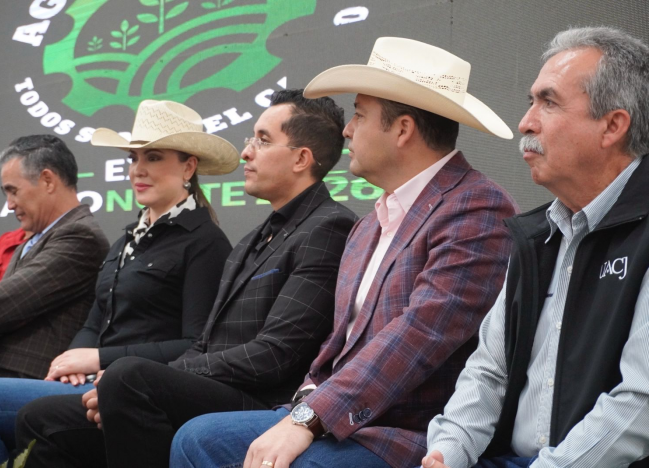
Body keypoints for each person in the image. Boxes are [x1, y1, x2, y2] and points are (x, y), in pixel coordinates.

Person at [169, 37, 519, 468]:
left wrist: (307, 420)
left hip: (409, 435)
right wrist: (304, 404)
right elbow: (339, 345)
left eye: (359, 114)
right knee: (196, 439)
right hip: (335, 421)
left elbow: (419, 335)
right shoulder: (367, 226)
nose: (347, 130)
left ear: (402, 129)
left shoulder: (476, 206)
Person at [15, 89, 358, 468]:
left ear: (301, 159)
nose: (246, 152)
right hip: (214, 387)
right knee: (41, 416)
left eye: (262, 140)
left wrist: (157, 374)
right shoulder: (251, 239)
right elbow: (204, 343)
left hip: (266, 402)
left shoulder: (329, 226)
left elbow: (275, 356)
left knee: (126, 378)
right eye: (251, 139)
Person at [0, 100, 237, 468]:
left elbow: (196, 344)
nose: (138, 169)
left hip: (133, 391)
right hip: (89, 382)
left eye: (153, 157)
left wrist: (99, 358)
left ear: (189, 166)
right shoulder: (127, 239)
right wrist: (69, 362)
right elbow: (96, 319)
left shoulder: (205, 242)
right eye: (133, 158)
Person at [420, 26, 649, 468]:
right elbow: (489, 371)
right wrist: (447, 452)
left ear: (612, 126)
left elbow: (640, 401)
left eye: (549, 102)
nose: (525, 122)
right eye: (531, 101)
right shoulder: (537, 235)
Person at [0, 135, 110, 385]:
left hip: (23, 379)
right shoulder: (34, 239)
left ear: (47, 180)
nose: (9, 205)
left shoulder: (81, 236)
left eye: (13, 191)